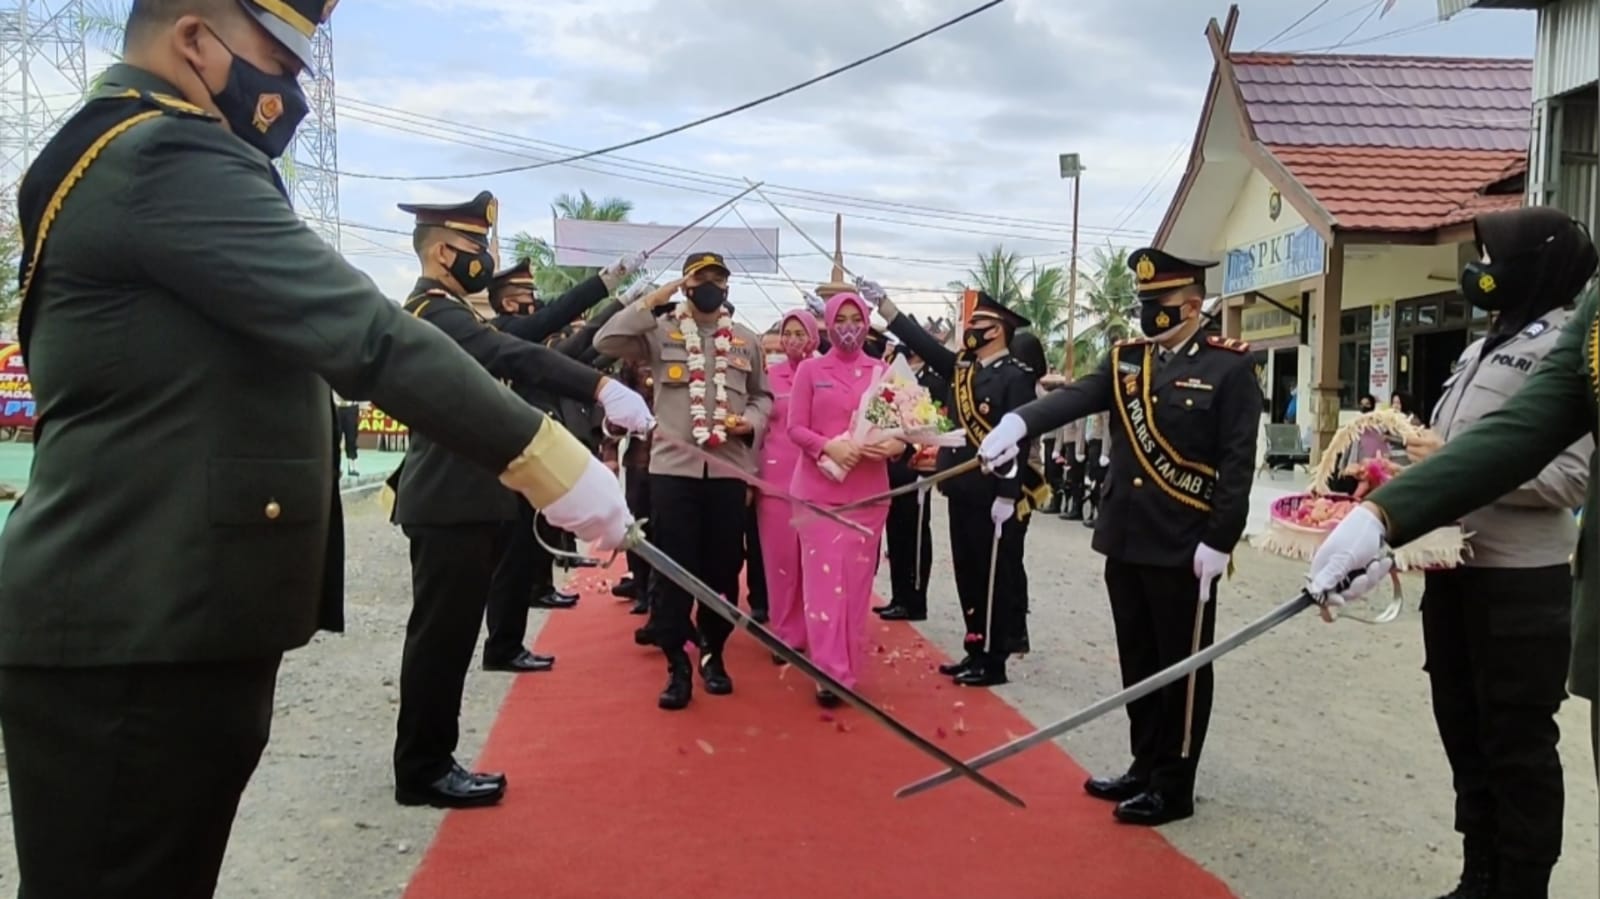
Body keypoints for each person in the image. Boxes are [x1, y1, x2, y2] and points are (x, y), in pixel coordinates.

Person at [0, 2, 632, 895]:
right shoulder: (161, 152)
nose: (292, 94)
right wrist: (552, 461)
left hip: (157, 608)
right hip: (137, 620)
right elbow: (364, 335)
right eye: (283, 66)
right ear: (192, 40)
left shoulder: (136, 152)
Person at [1308, 208, 1598, 899]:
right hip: (1454, 570)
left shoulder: (1571, 347)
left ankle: (1523, 885)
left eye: (1496, 255)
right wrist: (1394, 501)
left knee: (1518, 746)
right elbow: (1445, 461)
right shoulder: (1478, 350)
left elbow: (1572, 476)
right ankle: (1480, 874)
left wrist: (1464, 464)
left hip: (1522, 585)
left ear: (1536, 266)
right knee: (1463, 729)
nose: (1481, 267)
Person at [975, 247, 1261, 826]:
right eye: (1144, 303)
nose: (1149, 314)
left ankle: (1174, 784)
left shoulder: (1228, 368)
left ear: (1193, 305)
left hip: (1184, 542)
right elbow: (1075, 397)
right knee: (1137, 658)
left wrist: (1221, 538)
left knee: (1180, 665)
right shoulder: (1127, 361)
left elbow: (1237, 462)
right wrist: (1019, 422)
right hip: (1126, 536)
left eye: (1160, 304)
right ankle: (1144, 763)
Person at [389, 192, 651, 809]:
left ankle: (431, 759)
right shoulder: (433, 313)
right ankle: (423, 767)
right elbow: (513, 352)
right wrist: (599, 383)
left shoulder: (454, 311)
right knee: (441, 638)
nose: (485, 258)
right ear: (445, 250)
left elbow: (524, 346)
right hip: (448, 499)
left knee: (449, 637)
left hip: (468, 495)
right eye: (477, 248)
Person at [595, 252, 773, 710]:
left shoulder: (747, 342)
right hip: (673, 472)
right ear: (687, 284)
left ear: (727, 289)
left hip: (728, 472)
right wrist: (652, 300)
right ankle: (677, 665)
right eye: (700, 279)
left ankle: (714, 655)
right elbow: (606, 340)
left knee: (723, 570)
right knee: (673, 572)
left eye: (718, 280)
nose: (709, 286)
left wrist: (749, 422)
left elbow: (762, 396)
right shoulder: (660, 333)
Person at [872, 285, 1045, 687]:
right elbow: (923, 346)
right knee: (968, 573)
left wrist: (1007, 494)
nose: (971, 329)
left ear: (998, 330)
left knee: (992, 576)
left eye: (979, 324)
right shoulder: (964, 370)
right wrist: (888, 309)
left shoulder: (1016, 378)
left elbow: (1017, 441)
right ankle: (974, 647)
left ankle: (993, 659)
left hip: (992, 494)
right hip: (961, 488)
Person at [479, 258, 643, 672]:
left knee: (524, 550)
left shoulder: (521, 338)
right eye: (526, 297)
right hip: (508, 456)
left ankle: (509, 639)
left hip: (527, 451)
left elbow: (586, 350)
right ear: (508, 303)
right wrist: (612, 287)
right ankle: (503, 645)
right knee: (512, 559)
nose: (535, 304)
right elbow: (572, 331)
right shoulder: (504, 331)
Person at [787, 293, 902, 705]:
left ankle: (849, 668)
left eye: (857, 318)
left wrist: (894, 446)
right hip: (819, 496)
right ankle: (828, 673)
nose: (849, 327)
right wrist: (826, 448)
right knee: (823, 587)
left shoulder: (884, 372)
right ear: (829, 325)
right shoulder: (811, 370)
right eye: (842, 319)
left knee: (855, 588)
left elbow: (902, 429)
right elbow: (795, 428)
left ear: (868, 322)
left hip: (869, 497)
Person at [757, 308, 820, 651]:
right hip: (774, 483)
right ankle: (785, 634)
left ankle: (818, 632)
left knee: (813, 563)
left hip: (816, 482)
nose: (794, 340)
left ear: (813, 337)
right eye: (789, 333)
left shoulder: (822, 373)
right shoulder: (769, 377)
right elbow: (758, 429)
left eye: (801, 333)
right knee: (780, 563)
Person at [878, 333, 947, 622]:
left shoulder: (936, 381)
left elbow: (941, 423)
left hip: (918, 466)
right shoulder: (892, 379)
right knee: (895, 534)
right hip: (892, 465)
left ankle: (915, 600)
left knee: (915, 536)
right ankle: (898, 596)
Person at [334, 392, 362, 477]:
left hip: (351, 407)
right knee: (335, 438)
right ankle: (335, 468)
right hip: (337, 407)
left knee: (351, 438)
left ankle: (352, 467)